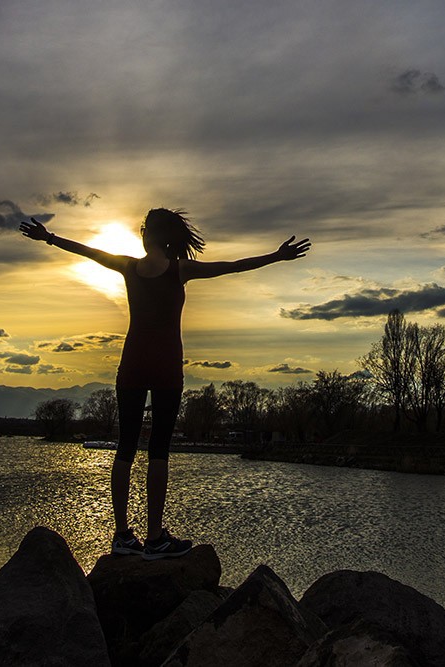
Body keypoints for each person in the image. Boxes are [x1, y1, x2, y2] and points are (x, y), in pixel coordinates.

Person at [20, 209, 311, 559]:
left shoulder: (128, 266)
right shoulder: (180, 270)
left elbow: (86, 251)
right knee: (158, 450)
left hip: (132, 363)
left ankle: (122, 535)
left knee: (125, 447)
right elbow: (233, 266)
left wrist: (49, 238)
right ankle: (155, 538)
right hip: (166, 366)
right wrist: (277, 257)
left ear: (147, 236)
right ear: (170, 237)